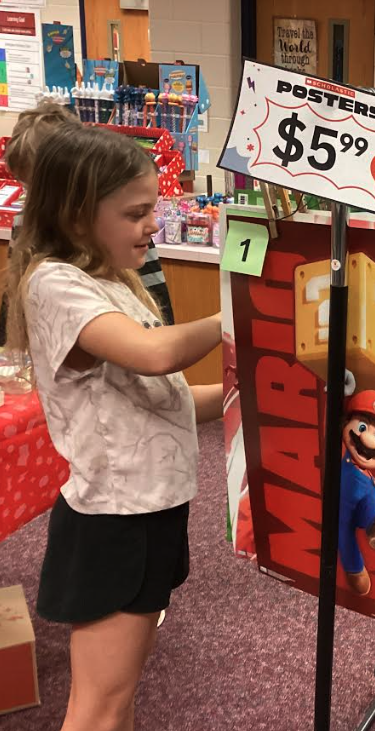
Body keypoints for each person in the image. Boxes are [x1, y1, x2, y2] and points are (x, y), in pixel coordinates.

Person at [4, 124, 223, 731]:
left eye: (153, 208)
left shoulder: (113, 283)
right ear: (77, 216)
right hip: (115, 518)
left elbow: (166, 399)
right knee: (98, 706)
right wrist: (237, 311)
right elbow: (157, 355)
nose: (153, 225)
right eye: (135, 213)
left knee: (118, 698)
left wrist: (242, 397)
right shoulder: (55, 284)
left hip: (152, 507)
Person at [0, 101, 174, 346]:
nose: (42, 202)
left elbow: (155, 310)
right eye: (30, 186)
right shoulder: (52, 278)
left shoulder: (124, 234)